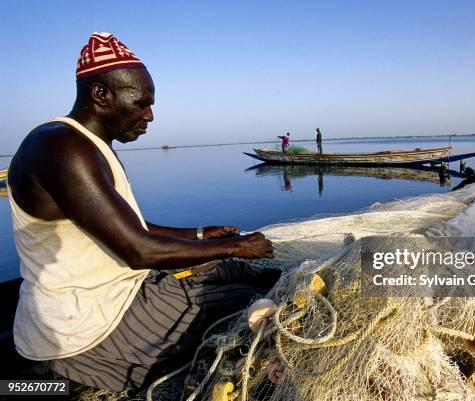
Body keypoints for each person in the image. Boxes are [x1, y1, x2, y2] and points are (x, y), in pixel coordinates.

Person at [7, 33, 280, 393]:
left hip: (122, 292)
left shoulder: (89, 145)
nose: (149, 115)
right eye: (141, 103)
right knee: (239, 301)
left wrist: (199, 234)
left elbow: (131, 227)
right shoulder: (61, 147)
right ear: (101, 95)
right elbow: (140, 251)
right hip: (88, 327)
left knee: (241, 274)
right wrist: (236, 246)